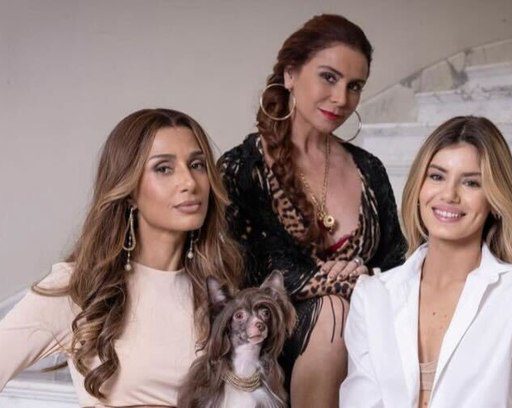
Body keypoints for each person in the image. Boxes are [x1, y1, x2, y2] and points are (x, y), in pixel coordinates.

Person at [220, 14, 407, 407]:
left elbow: (395, 267)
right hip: (268, 345)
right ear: (290, 74)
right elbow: (246, 274)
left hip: (366, 342)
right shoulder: (243, 169)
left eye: (354, 86)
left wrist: (364, 278)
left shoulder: (369, 170)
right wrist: (338, 283)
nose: (341, 98)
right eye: (329, 77)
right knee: (332, 310)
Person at [0, 108, 242, 406]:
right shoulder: (78, 289)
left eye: (197, 165)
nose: (190, 182)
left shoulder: (221, 291)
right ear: (128, 191)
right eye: (163, 168)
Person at [340, 116, 512, 407]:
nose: (449, 195)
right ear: (419, 187)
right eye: (437, 176)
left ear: (494, 200)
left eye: (471, 182)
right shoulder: (373, 296)